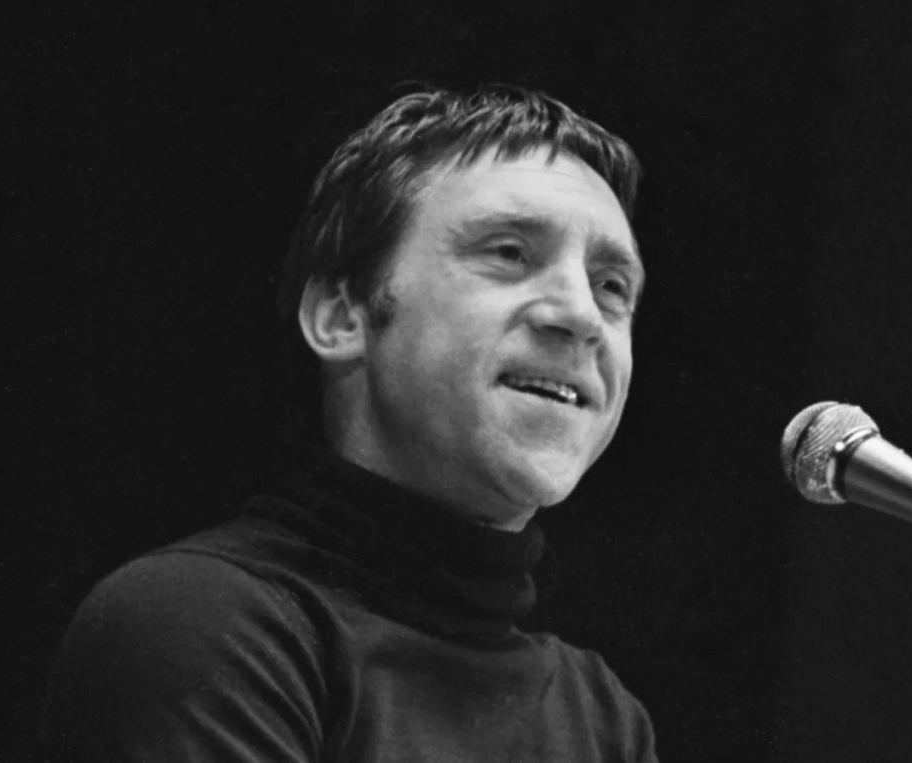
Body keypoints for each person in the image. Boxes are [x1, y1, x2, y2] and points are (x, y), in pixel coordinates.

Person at [38, 84, 657, 762]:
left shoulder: (603, 716)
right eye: (509, 252)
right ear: (342, 317)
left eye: (611, 286)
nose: (581, 314)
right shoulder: (196, 620)